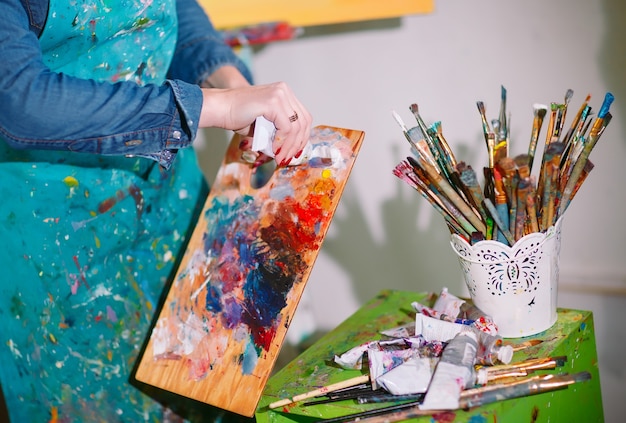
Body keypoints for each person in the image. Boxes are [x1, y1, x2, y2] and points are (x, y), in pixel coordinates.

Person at [0, 0, 312, 421]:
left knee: (212, 384)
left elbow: (170, 10)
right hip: (54, 241)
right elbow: (19, 98)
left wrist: (228, 80)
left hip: (167, 205)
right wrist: (212, 107)